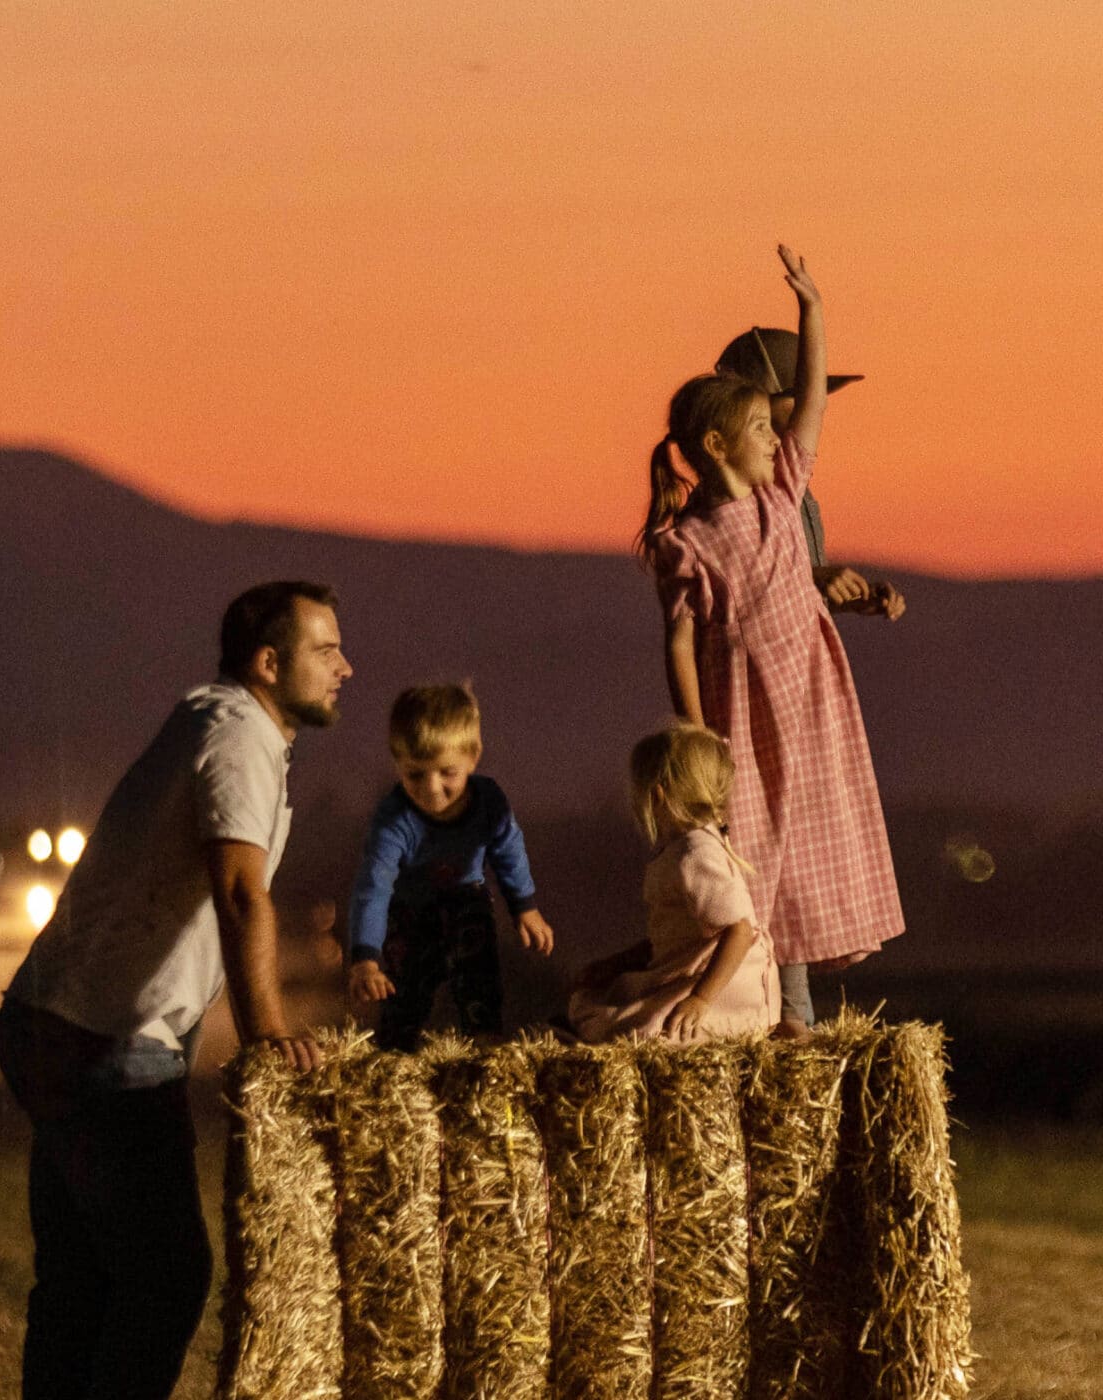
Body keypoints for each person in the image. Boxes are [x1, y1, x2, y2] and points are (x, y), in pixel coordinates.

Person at [0, 580, 352, 1400]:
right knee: (166, 1278)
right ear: (269, 662)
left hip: (52, 1021)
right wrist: (269, 1030)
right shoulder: (238, 737)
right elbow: (240, 891)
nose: (347, 667)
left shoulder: (218, 723)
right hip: (106, 1039)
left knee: (82, 1280)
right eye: (326, 650)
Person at [638, 246, 904, 1037]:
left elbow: (812, 401)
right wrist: (695, 729)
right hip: (744, 718)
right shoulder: (687, 542)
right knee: (760, 853)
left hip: (813, 699)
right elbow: (680, 641)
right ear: (719, 445)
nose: (776, 436)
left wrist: (813, 309)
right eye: (760, 425)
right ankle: (778, 1012)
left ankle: (797, 1009)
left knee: (812, 843)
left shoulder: (784, 495)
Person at [347, 683, 553, 1050]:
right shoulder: (394, 820)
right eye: (415, 774)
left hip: (465, 899)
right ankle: (394, 1052)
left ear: (473, 758)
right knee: (404, 987)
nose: (431, 788)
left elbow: (508, 849)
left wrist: (525, 907)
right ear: (397, 763)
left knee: (477, 965)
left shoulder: (489, 801)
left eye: (447, 773)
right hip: (410, 909)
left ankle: (484, 1036)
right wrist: (366, 959)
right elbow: (373, 888)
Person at [568, 725, 779, 1043]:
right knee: (607, 1000)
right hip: (692, 972)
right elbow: (676, 934)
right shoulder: (684, 850)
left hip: (725, 988)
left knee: (638, 1032)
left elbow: (740, 930)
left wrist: (701, 1000)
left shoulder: (696, 854)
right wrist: (618, 962)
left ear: (657, 794)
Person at [714, 324, 907, 622]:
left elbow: (786, 596)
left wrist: (849, 599)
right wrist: (813, 577)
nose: (813, 408)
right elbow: (730, 587)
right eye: (801, 397)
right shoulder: (729, 493)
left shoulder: (796, 487)